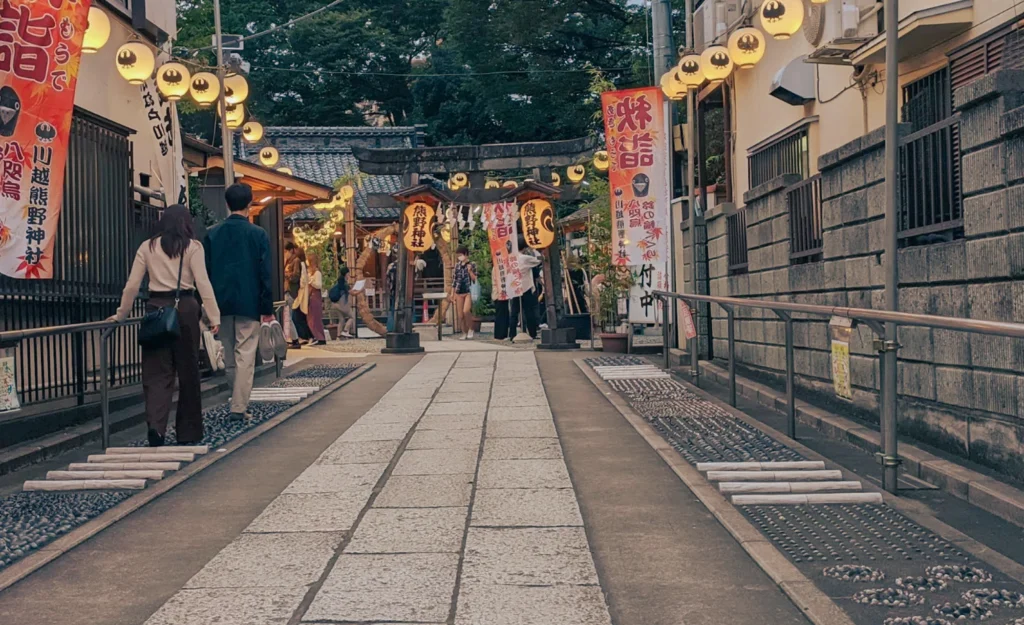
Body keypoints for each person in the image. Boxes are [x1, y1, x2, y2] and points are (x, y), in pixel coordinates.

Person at [112, 205, 220, 447]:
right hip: (186, 309)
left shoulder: (147, 247)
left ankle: (156, 427)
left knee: (156, 373)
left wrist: (121, 315)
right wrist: (214, 317)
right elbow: (203, 284)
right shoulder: (193, 247)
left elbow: (131, 286)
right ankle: (188, 432)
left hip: (156, 310)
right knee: (188, 371)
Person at [204, 183, 275, 422]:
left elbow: (206, 272)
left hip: (220, 303)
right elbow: (265, 274)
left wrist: (208, 308)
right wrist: (267, 308)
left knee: (230, 354)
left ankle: (236, 400)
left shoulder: (212, 233)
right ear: (249, 204)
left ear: (227, 204)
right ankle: (238, 405)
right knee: (245, 352)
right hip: (249, 302)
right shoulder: (258, 234)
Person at [509, 243, 542, 340]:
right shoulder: (524, 258)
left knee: (514, 312)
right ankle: (532, 333)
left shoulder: (510, 258)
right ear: (524, 248)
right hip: (525, 287)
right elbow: (539, 259)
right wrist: (534, 249)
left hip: (514, 287)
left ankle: (512, 334)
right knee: (529, 311)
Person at [452, 246, 477, 339]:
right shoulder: (457, 265)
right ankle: (464, 332)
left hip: (468, 291)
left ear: (466, 254)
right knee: (460, 315)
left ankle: (471, 328)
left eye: (461, 255)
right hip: (459, 291)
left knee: (466, 311)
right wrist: (453, 293)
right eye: (458, 255)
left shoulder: (472, 264)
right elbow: (454, 280)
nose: (459, 257)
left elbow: (475, 279)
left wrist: (470, 271)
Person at [290, 247, 312, 346]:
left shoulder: (300, 264)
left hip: (300, 293)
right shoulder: (303, 264)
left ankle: (303, 336)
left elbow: (302, 280)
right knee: (299, 315)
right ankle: (304, 336)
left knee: (297, 316)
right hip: (301, 293)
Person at [329, 266, 357, 338]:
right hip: (343, 304)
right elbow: (352, 293)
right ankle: (345, 331)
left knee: (341, 320)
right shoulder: (345, 284)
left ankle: (338, 336)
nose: (349, 275)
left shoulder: (338, 283)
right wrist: (361, 289)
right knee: (352, 317)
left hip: (336, 304)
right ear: (346, 274)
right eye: (348, 274)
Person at [306, 251, 327, 345]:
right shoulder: (310, 272)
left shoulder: (317, 273)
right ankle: (316, 336)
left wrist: (311, 282)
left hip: (315, 295)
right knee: (311, 318)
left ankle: (320, 337)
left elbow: (319, 285)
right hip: (311, 295)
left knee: (315, 318)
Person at [283, 241, 301, 343]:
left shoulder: (296, 261)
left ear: (290, 250)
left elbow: (296, 276)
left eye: (286, 251)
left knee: (288, 316)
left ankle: (295, 339)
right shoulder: (288, 261)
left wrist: (286, 275)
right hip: (287, 290)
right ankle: (293, 338)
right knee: (287, 316)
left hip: (290, 291)